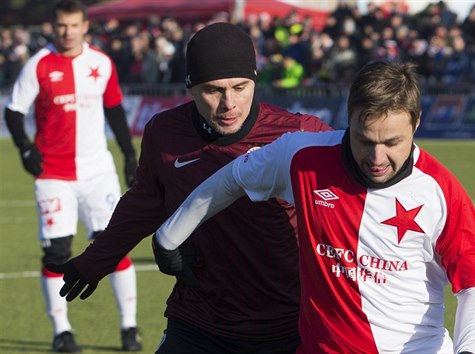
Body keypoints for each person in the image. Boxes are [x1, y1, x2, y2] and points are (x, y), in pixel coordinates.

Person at [150, 61, 475, 354]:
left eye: (392, 142)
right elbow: (233, 179)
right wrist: (168, 237)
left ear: (417, 123)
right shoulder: (303, 157)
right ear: (349, 118)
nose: (377, 158)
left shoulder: (441, 190)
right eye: (365, 140)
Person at [47, 22, 331, 353]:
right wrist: (95, 261)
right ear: (190, 87)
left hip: (288, 325)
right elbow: (143, 204)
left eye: (240, 87)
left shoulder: (302, 135)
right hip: (199, 320)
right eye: (213, 90)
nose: (229, 103)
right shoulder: (164, 134)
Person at [3, 1, 141, 352]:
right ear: (54, 26)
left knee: (112, 246)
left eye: (74, 25)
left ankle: (129, 327)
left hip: (98, 171)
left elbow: (114, 111)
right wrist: (24, 148)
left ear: (84, 27)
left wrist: (128, 154)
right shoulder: (38, 65)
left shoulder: (101, 63)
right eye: (62, 25)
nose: (67, 31)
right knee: (56, 252)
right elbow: (14, 111)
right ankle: (62, 331)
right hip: (53, 174)